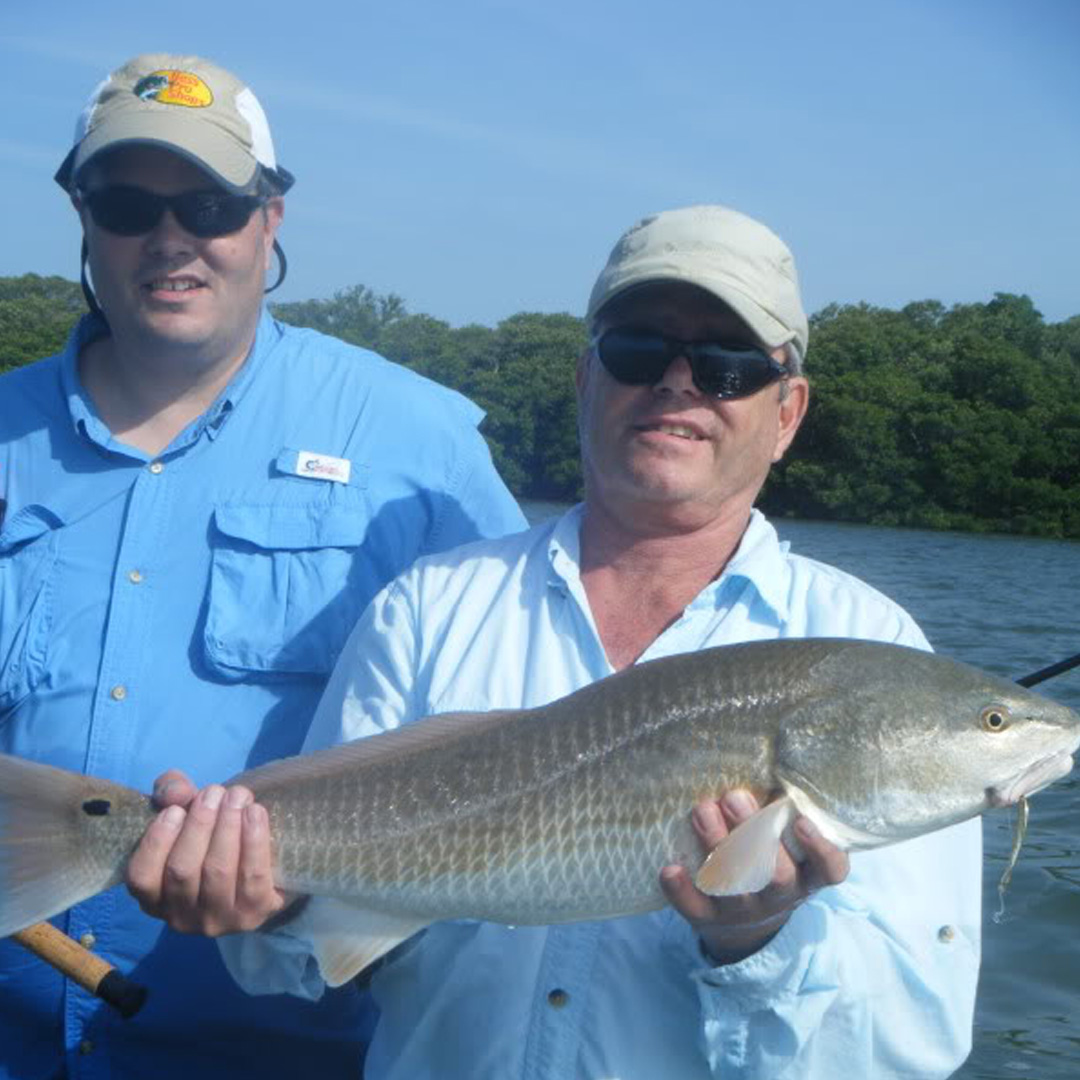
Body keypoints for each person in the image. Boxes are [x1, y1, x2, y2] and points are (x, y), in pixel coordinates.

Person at [139, 205, 982, 1078]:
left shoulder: (876, 649)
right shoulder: (429, 607)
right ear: (585, 378)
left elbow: (907, 1045)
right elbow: (304, 963)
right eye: (639, 350)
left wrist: (757, 941)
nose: (680, 383)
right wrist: (270, 907)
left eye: (731, 366)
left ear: (788, 414)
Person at [0, 53, 524, 1080]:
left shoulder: (419, 442)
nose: (169, 239)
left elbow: (522, 734)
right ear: (81, 214)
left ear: (270, 218)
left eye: (209, 204)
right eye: (126, 203)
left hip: (281, 1046)